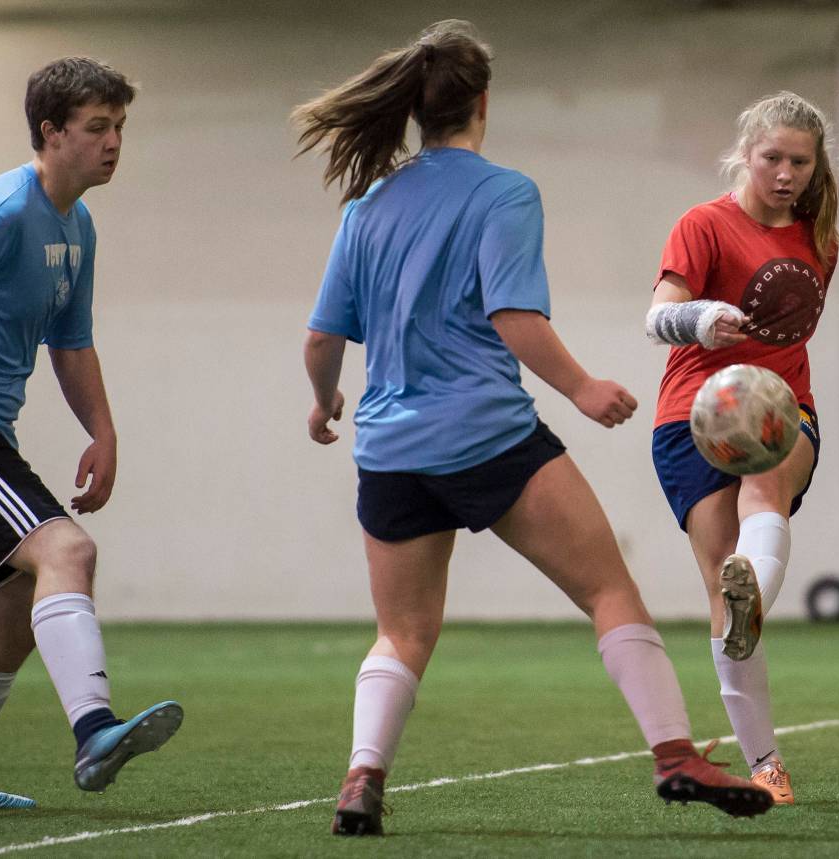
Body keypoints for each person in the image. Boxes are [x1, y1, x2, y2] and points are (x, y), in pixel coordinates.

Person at [295, 20, 773, 837]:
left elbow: (319, 339)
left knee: (402, 632)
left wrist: (324, 400)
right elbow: (512, 313)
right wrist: (584, 388)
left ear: (414, 108)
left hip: (390, 451)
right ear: (483, 102)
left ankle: (361, 777)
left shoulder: (368, 205)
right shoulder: (503, 191)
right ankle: (674, 754)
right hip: (488, 437)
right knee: (607, 588)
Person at [0, 57, 182, 811]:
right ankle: (94, 729)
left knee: (14, 611)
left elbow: (71, 339)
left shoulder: (78, 222)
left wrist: (103, 431)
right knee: (67, 549)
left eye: (120, 127)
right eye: (98, 128)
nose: (114, 143)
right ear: (50, 132)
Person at [646, 91, 839, 805]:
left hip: (782, 407)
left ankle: (750, 595)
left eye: (799, 161)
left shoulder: (822, 238)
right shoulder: (703, 225)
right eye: (772, 159)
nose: (786, 173)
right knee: (721, 582)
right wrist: (703, 318)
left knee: (767, 490)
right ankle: (764, 759)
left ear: (816, 165)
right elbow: (657, 314)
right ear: (745, 154)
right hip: (694, 415)